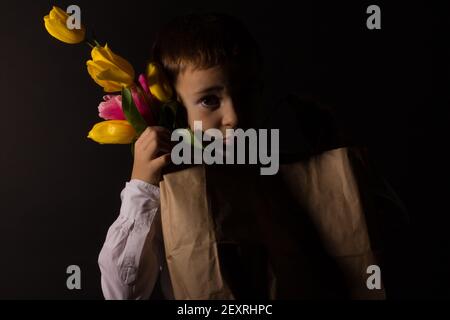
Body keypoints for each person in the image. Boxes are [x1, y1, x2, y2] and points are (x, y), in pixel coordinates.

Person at [98, 12, 264, 299]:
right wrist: (142, 186)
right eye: (209, 100)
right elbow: (123, 293)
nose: (233, 117)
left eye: (245, 93)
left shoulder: (273, 163)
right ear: (175, 104)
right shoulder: (172, 186)